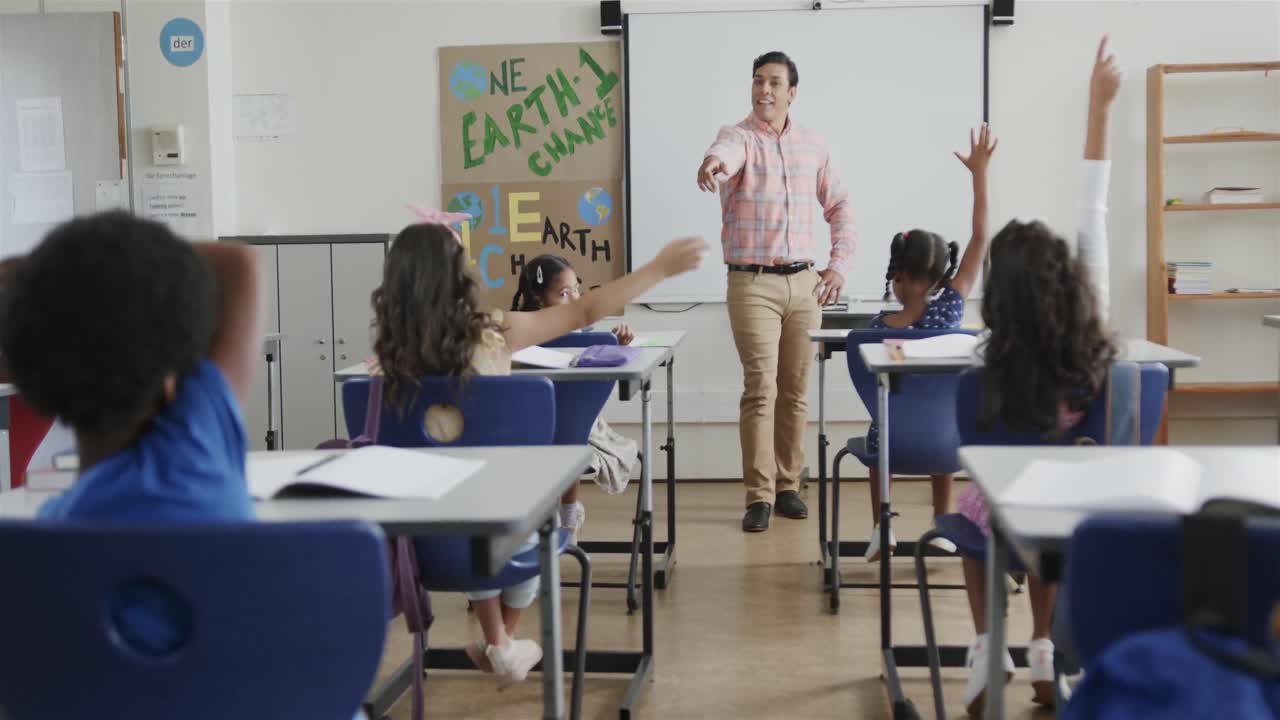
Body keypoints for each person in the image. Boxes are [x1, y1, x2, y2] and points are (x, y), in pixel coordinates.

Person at [372, 219, 706, 688]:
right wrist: (659, 268)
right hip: (508, 524)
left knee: (470, 513)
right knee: (523, 525)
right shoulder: (493, 332)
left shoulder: (386, 360)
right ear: (459, 277)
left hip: (419, 537)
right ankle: (502, 643)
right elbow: (586, 310)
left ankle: (499, 645)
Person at [0, 211, 263, 648]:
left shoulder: (36, 551)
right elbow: (240, 265)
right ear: (169, 384)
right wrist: (60, 269)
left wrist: (50, 281)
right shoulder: (199, 448)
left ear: (32, 389)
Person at [956, 36, 1121, 717]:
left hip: (1002, 514)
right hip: (1074, 512)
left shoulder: (983, 367)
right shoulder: (1091, 350)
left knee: (974, 507)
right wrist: (1098, 107)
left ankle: (986, 643)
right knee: (1049, 520)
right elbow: (1094, 216)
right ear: (1065, 281)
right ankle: (1044, 646)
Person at [698, 50, 857, 532]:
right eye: (757, 81)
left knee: (795, 390)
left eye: (774, 83)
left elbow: (841, 205)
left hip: (805, 284)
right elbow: (725, 155)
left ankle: (789, 485)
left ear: (792, 92)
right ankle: (759, 495)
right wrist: (711, 164)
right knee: (760, 388)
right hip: (753, 284)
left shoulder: (813, 145)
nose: (764, 90)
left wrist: (838, 267)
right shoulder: (738, 136)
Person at [861, 123, 998, 562]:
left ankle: (883, 527)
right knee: (940, 411)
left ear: (894, 275)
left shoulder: (876, 328)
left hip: (892, 444)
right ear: (941, 277)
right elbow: (980, 238)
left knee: (881, 423)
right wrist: (979, 176)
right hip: (946, 440)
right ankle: (942, 524)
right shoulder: (950, 310)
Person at [511, 254, 641, 540]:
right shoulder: (518, 331)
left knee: (572, 426)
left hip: (570, 426)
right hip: (532, 428)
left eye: (577, 291)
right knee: (569, 432)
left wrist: (617, 345)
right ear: (537, 299)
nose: (574, 300)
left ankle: (568, 509)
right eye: (563, 294)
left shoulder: (586, 336)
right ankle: (562, 509)